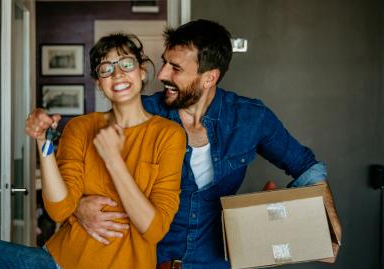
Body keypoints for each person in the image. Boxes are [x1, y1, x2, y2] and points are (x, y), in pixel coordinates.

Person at [71, 19, 342, 269]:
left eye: (175, 68)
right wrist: (77, 207)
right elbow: (78, 163)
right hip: (146, 261)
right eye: (165, 62)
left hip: (216, 263)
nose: (162, 74)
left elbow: (307, 167)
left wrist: (330, 234)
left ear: (209, 77)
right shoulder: (142, 112)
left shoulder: (250, 118)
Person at [0, 33, 186, 269]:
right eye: (106, 69)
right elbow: (59, 209)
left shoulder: (168, 135)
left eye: (126, 64)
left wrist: (113, 159)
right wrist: (43, 141)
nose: (118, 74)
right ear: (98, 83)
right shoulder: (80, 127)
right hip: (59, 261)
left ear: (142, 70)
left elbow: (154, 229)